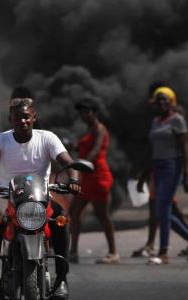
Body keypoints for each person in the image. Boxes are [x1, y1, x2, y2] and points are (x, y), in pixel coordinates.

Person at [0, 86, 80, 300]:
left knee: (61, 220)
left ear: (34, 117)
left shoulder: (47, 138)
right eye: (17, 118)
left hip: (41, 198)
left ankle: (61, 279)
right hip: (8, 197)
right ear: (10, 119)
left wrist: (74, 180)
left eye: (26, 117)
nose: (22, 121)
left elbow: (67, 161)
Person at [131, 84, 188, 259]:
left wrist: (186, 175)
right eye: (158, 100)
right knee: (161, 210)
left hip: (172, 166)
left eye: (165, 99)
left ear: (171, 102)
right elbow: (153, 151)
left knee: (162, 208)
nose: (161, 102)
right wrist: (143, 176)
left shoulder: (177, 120)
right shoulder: (155, 122)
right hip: (157, 167)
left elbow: (185, 148)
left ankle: (163, 251)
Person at [69, 97, 119, 264]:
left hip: (98, 177)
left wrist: (83, 163)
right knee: (74, 212)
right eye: (81, 112)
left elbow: (96, 149)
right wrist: (73, 148)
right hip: (86, 177)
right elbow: (83, 148)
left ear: (94, 112)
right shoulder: (89, 129)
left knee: (102, 215)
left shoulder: (99, 129)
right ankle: (73, 252)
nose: (83, 115)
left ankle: (113, 253)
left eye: (86, 111)